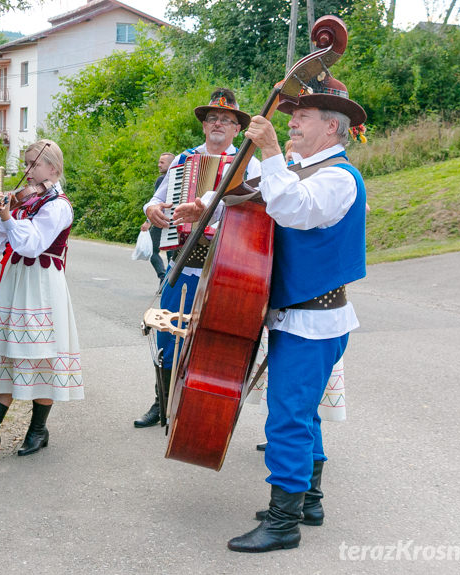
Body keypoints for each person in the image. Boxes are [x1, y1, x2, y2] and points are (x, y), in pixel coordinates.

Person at [227, 76, 368, 552]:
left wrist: (267, 150)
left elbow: (293, 210)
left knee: (287, 416)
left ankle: (284, 523)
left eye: (302, 117)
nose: (291, 123)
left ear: (332, 128)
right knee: (302, 412)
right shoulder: (300, 167)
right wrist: (201, 207)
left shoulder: (337, 178)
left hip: (313, 319)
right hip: (301, 315)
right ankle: (308, 500)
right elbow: (252, 195)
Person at [134, 88, 261, 428]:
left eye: (227, 119)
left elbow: (249, 213)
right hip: (182, 260)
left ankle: (201, 409)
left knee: (213, 340)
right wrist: (153, 209)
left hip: (223, 265)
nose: (219, 124)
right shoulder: (183, 159)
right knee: (168, 332)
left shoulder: (250, 163)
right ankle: (162, 404)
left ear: (237, 129)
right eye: (213, 118)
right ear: (205, 126)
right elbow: (155, 198)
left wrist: (212, 219)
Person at [0, 139, 83, 456]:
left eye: (33, 165)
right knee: (6, 354)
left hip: (40, 285)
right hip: (14, 282)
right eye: (25, 164)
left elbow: (31, 244)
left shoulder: (59, 206)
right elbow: (0, 242)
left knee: (40, 357)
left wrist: (6, 216)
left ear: (53, 169)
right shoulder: (26, 202)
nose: (26, 171)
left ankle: (38, 431)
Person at [140, 152, 175, 282]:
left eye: (162, 162)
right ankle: (168, 280)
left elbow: (156, 203)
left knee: (152, 251)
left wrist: (148, 221)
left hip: (160, 221)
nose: (159, 165)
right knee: (172, 255)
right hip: (175, 222)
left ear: (172, 165)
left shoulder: (161, 180)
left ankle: (163, 276)